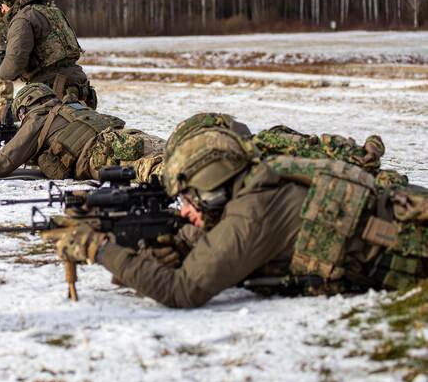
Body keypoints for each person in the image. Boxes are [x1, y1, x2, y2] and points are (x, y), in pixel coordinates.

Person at [48, 112, 428, 308]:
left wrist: (98, 249)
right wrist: (178, 244)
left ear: (214, 183)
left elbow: (182, 291)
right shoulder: (261, 176)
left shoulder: (252, 213)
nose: (189, 205)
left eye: (193, 194)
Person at [0, 83, 164, 181]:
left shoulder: (35, 119)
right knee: (176, 151)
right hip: (130, 136)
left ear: (25, 108)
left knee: (168, 173)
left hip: (106, 156)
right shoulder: (71, 106)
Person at [0, 0, 96, 108]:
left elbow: (13, 67)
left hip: (52, 94)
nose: (1, 10)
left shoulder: (22, 19)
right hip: (79, 85)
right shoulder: (51, 10)